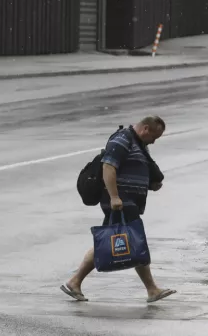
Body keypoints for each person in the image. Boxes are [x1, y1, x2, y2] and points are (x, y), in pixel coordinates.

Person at [60, 116, 176, 303]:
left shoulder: (138, 143)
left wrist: (148, 184)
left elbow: (130, 169)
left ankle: (75, 281)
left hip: (127, 200)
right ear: (145, 129)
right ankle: (152, 289)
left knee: (118, 239)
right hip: (120, 200)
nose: (154, 141)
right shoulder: (122, 139)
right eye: (154, 136)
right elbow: (109, 167)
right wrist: (114, 196)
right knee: (135, 240)